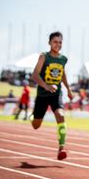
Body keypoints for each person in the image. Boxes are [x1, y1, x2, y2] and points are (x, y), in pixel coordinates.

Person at [31, 32, 73, 160]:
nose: (58, 44)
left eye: (60, 42)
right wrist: (46, 86)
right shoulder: (44, 57)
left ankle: (62, 148)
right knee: (36, 125)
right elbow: (35, 75)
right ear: (49, 43)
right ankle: (32, 116)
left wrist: (69, 89)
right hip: (43, 94)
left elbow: (62, 73)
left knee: (61, 115)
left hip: (56, 94)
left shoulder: (63, 59)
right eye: (55, 42)